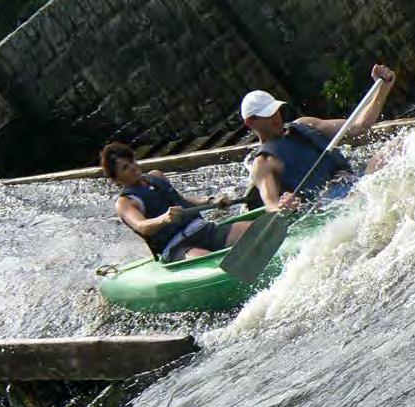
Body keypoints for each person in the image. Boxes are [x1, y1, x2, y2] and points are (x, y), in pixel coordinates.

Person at [241, 63, 396, 212]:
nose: (275, 118)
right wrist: (282, 207)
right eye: (267, 115)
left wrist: (382, 87)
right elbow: (271, 204)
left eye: (275, 111)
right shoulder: (262, 164)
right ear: (250, 122)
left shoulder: (306, 124)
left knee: (394, 147)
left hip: (356, 183)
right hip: (332, 206)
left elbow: (358, 126)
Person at [101, 142, 252, 262]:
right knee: (215, 263)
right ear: (116, 178)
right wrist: (164, 219)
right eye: (125, 167)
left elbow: (183, 199)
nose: (133, 167)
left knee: (254, 230)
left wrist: (212, 200)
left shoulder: (156, 175)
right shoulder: (125, 202)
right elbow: (142, 226)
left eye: (132, 161)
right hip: (177, 247)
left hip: (204, 230)